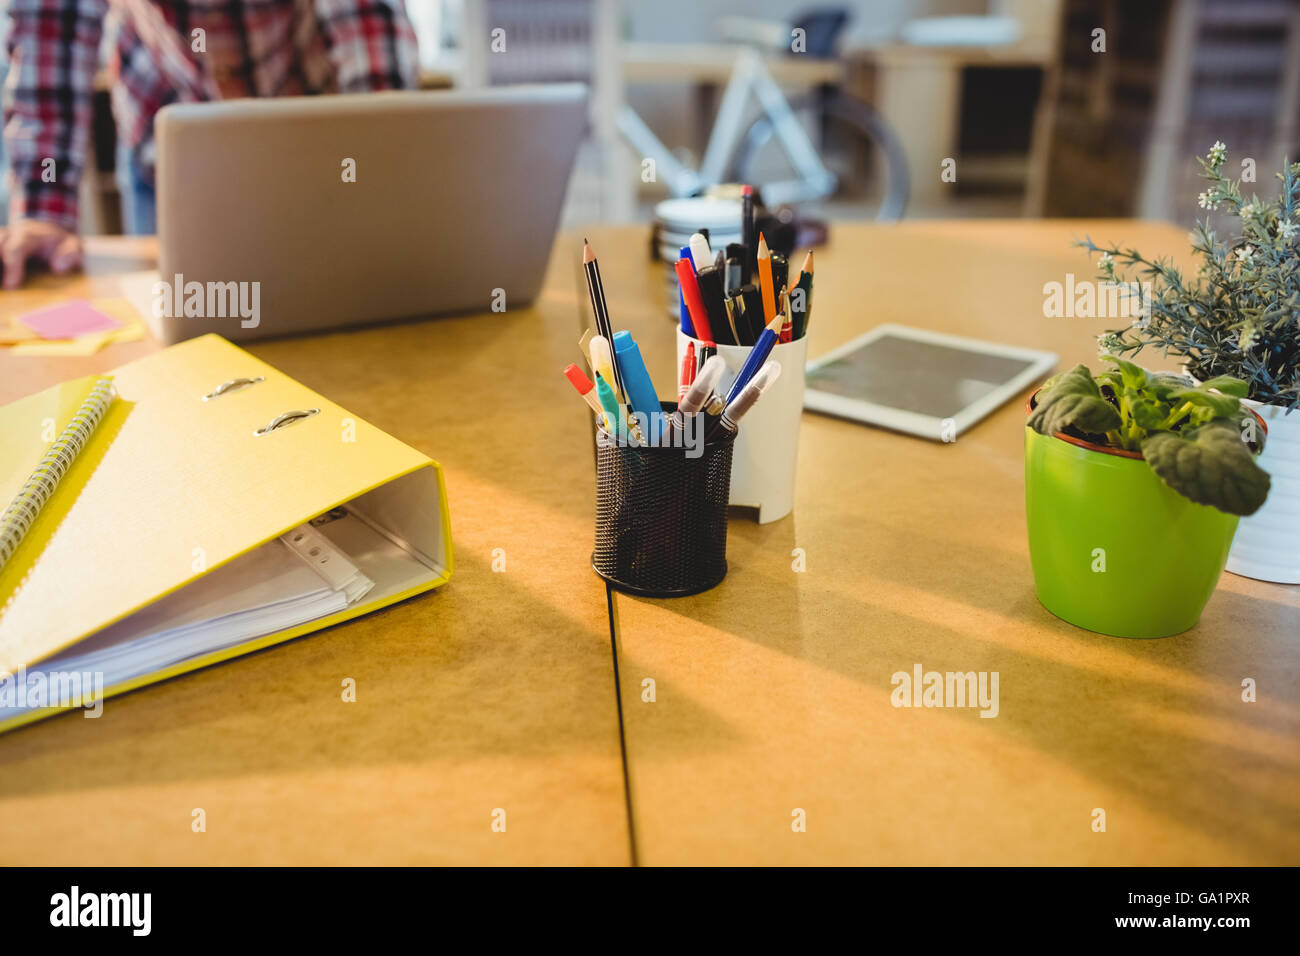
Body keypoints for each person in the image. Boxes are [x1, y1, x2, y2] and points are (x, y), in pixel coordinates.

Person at [1, 0, 419, 288]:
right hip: (166, 120)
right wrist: (44, 211)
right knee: (179, 324)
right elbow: (51, 22)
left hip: (308, 121)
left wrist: (376, 168)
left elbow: (367, 21)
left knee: (338, 291)